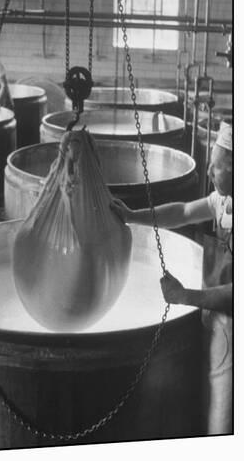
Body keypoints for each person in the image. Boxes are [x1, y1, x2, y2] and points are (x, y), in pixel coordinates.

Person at [111, 121, 233, 435]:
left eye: (217, 169)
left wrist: (185, 296)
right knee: (204, 398)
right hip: (214, 319)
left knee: (224, 414)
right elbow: (181, 211)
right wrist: (134, 216)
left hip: (233, 328)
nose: (208, 174)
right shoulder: (223, 202)